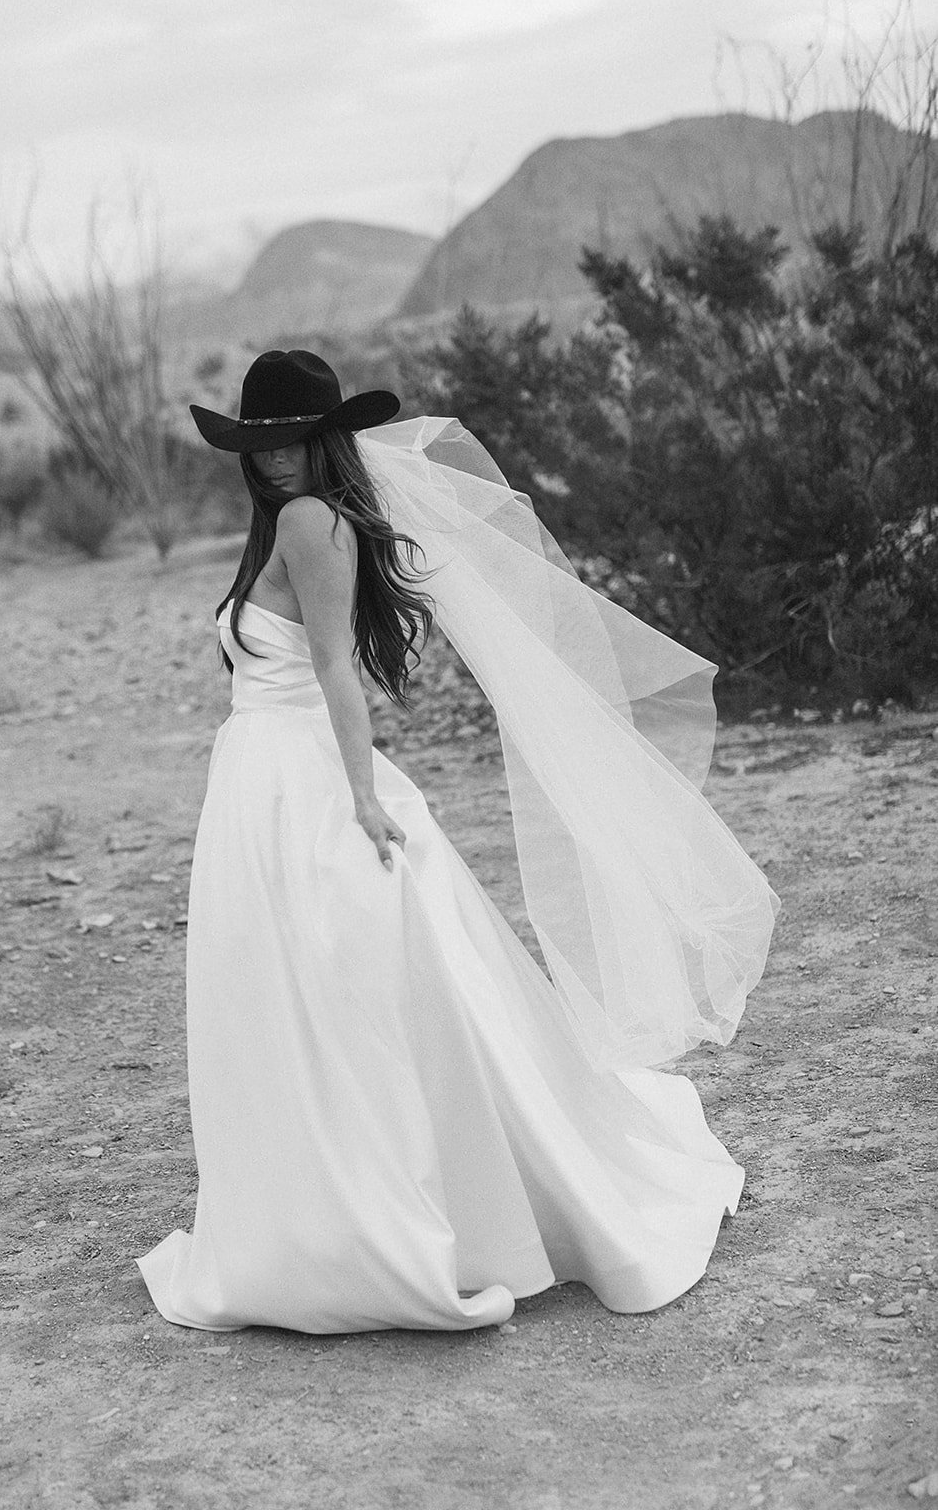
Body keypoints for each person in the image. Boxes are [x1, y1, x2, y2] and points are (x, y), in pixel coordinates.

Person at [136, 348, 778, 1335]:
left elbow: (335, 673)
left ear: (326, 441)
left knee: (313, 997)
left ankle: (347, 1220)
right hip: (265, 781)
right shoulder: (310, 520)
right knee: (335, 999)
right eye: (260, 446)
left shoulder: (312, 522)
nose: (273, 463)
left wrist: (359, 794)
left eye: (292, 443)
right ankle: (373, 1202)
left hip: (297, 785)